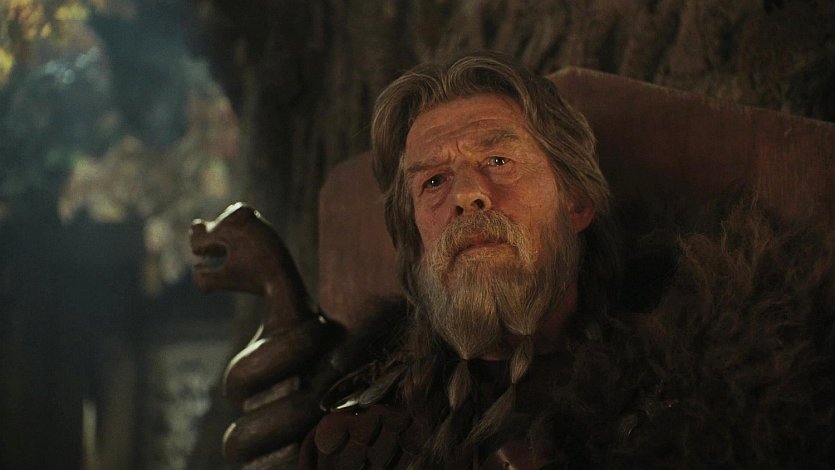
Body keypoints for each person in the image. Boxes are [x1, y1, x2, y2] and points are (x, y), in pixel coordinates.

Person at [222, 52, 835, 469]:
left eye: (498, 161)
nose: (467, 195)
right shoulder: (368, 427)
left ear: (576, 202)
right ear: (416, 243)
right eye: (433, 181)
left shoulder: (710, 385)